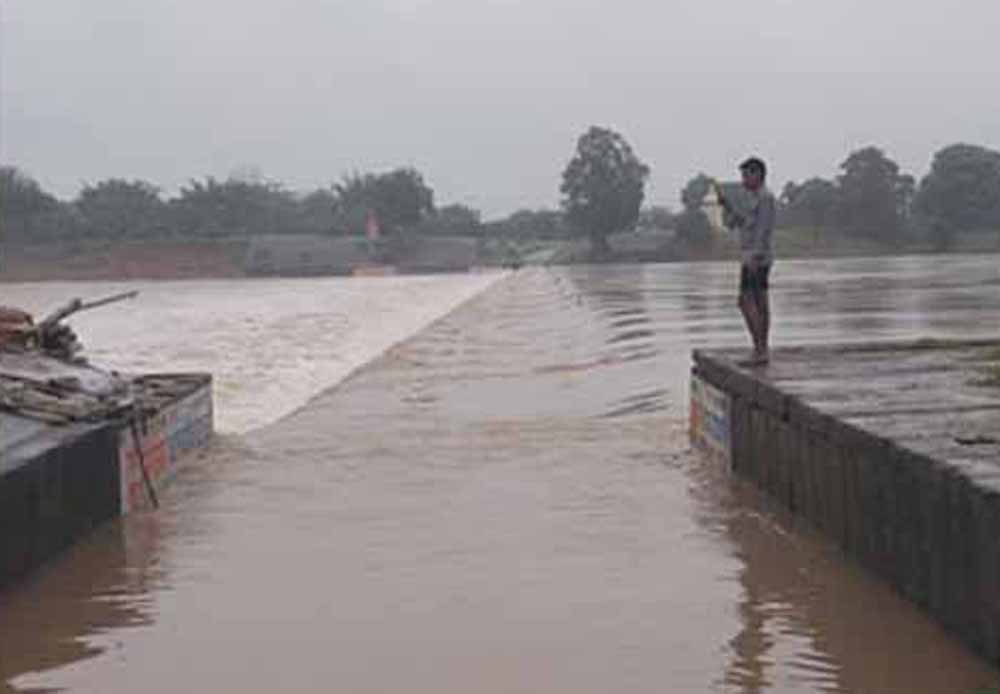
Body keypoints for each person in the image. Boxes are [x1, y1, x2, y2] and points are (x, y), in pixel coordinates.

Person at [715, 157, 776, 366]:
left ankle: (760, 349)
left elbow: (763, 229)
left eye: (746, 175)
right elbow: (741, 224)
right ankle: (761, 349)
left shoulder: (765, 198)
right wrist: (728, 207)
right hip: (752, 255)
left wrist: (755, 257)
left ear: (757, 174)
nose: (743, 180)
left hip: (756, 257)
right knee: (758, 301)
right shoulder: (753, 198)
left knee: (747, 301)